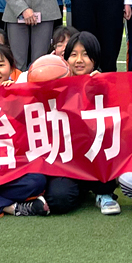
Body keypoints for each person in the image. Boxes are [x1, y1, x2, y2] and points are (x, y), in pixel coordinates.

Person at [44, 31, 122, 215]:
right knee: (58, 200)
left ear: (95, 58)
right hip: (66, 161)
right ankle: (81, 189)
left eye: (86, 54)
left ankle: (103, 192)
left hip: (96, 159)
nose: (79, 60)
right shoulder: (55, 82)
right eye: (73, 54)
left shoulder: (105, 84)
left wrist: (100, 90)